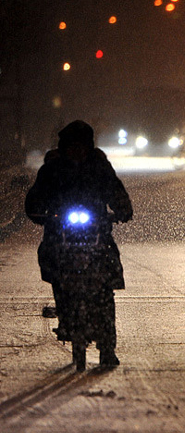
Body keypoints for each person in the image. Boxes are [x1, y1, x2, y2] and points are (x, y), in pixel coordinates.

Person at [25, 120, 133, 368]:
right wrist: (39, 213)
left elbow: (116, 192)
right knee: (51, 262)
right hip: (59, 233)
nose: (77, 152)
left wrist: (122, 210)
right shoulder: (52, 169)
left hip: (97, 233)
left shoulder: (99, 167)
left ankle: (107, 348)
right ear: (64, 148)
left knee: (107, 282)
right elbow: (36, 199)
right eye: (72, 147)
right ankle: (64, 315)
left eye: (81, 146)